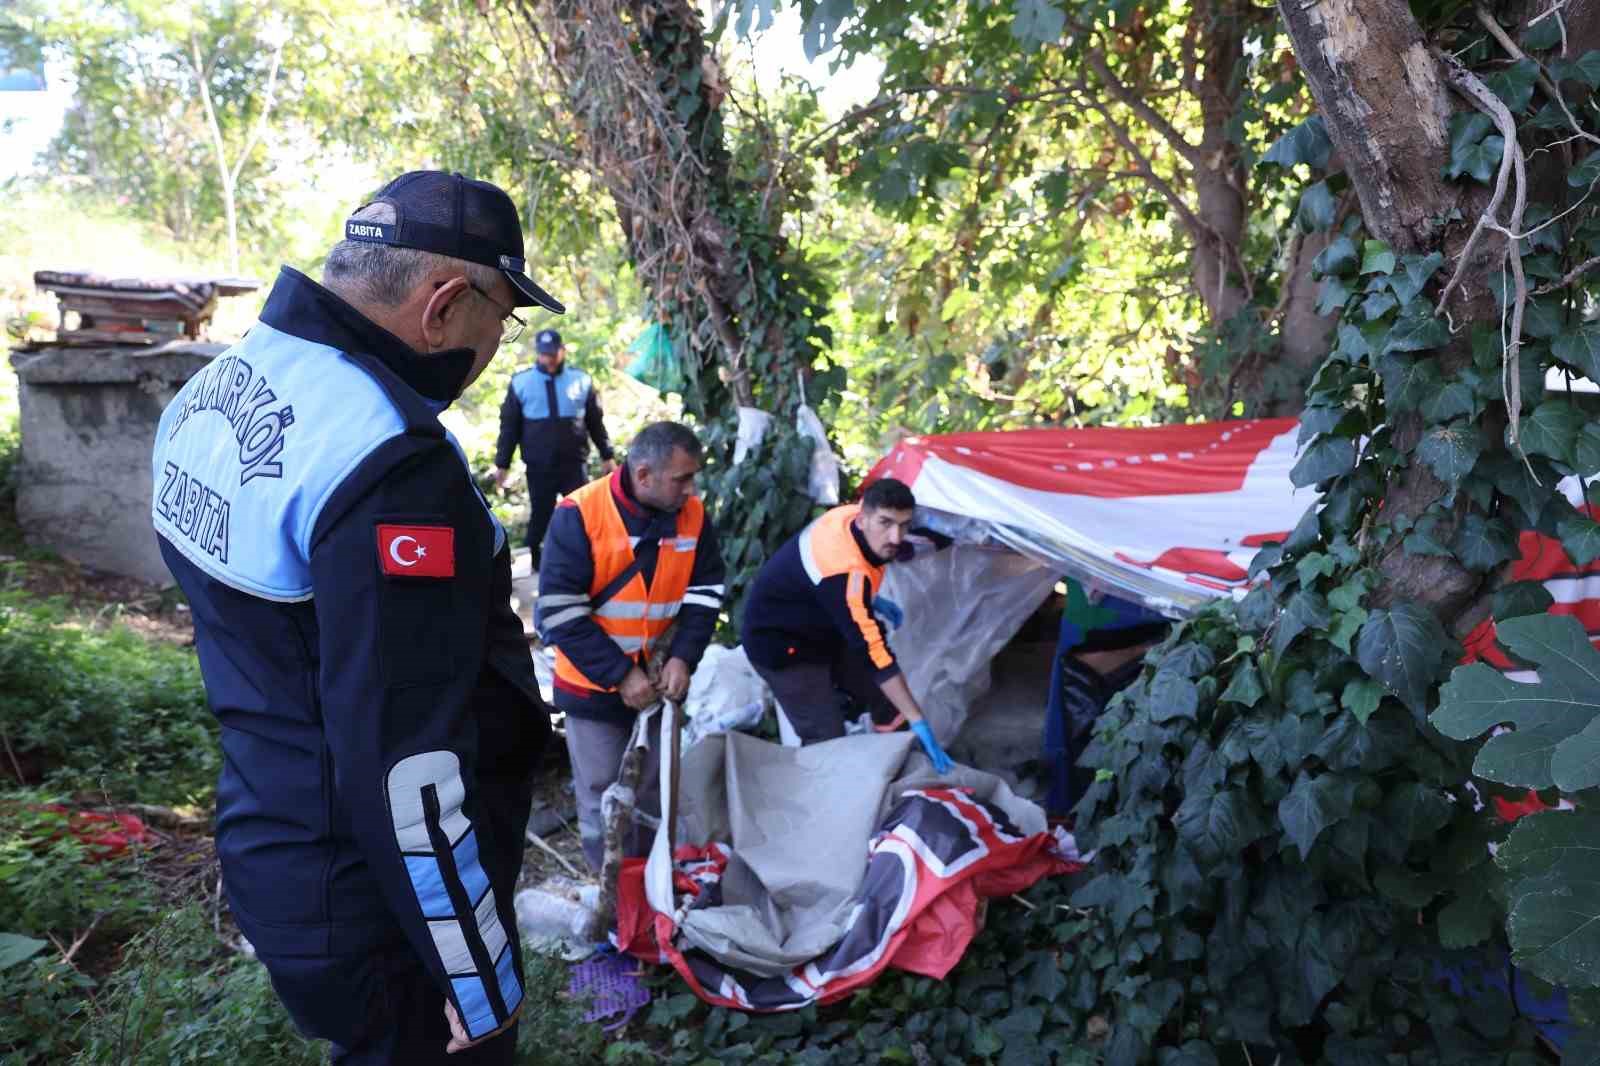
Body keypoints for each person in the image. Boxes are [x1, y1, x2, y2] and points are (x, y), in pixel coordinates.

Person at [150, 170, 561, 1065]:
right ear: (445, 302)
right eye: (504, 317)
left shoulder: (216, 393)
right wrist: (475, 973)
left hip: (278, 842)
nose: (498, 343)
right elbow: (406, 767)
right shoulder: (387, 463)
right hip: (380, 897)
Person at [535, 421, 725, 872]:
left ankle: (650, 884)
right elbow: (561, 612)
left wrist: (684, 657)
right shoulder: (578, 513)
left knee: (653, 790)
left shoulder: (694, 514)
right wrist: (620, 675)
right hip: (592, 687)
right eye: (682, 478)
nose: (691, 488)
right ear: (643, 475)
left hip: (660, 680)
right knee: (602, 788)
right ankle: (610, 891)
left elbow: (705, 592)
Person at [741, 477, 955, 773]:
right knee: (827, 738)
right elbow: (876, 654)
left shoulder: (848, 520)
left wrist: (869, 600)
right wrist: (919, 720)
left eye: (904, 525)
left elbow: (836, 584)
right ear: (864, 517)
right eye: (886, 523)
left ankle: (898, 767)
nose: (896, 537)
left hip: (821, 619)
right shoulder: (844, 574)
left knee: (887, 700)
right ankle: (824, 806)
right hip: (781, 645)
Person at [493, 328, 615, 568]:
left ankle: (588, 560)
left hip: (574, 463)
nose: (547, 359)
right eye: (543, 354)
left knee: (584, 512)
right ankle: (536, 563)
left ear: (563, 351)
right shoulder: (521, 383)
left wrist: (607, 455)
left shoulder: (581, 380)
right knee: (541, 513)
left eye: (552, 353)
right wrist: (502, 464)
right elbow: (510, 428)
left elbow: (595, 422)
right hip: (540, 465)